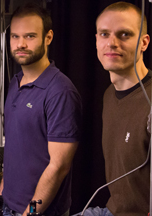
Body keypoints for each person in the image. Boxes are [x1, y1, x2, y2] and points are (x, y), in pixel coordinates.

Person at [0, 3, 82, 216]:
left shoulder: (60, 91)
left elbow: (59, 167)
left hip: (40, 212)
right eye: (15, 37)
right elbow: (17, 144)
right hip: (8, 206)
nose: (21, 44)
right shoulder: (15, 82)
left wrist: (31, 212)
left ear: (48, 37)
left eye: (30, 36)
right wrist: (4, 188)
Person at [74, 2, 151, 216]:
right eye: (104, 34)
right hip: (111, 210)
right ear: (96, 40)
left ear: (144, 43)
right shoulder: (110, 94)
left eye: (124, 34)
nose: (112, 43)